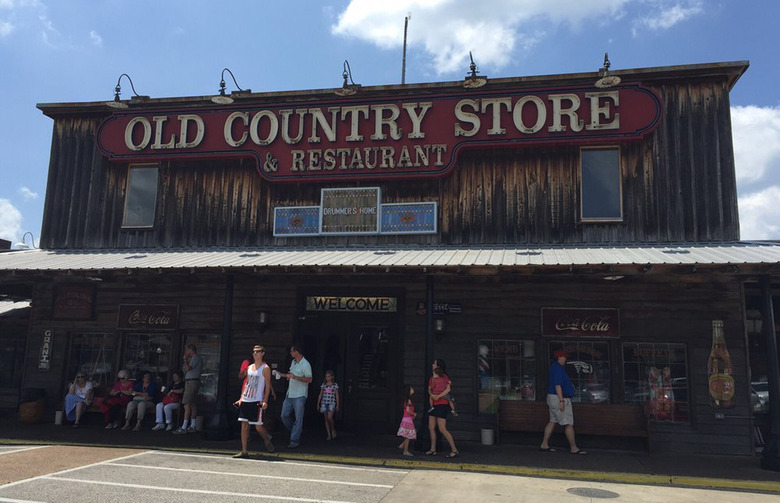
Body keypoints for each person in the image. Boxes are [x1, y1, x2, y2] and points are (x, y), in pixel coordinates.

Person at [540, 349, 587, 455]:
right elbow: (558, 385)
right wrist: (561, 400)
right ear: (559, 357)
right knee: (568, 423)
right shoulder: (557, 368)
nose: (565, 359)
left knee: (552, 420)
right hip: (559, 398)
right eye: (564, 357)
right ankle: (574, 448)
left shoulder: (555, 367)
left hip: (552, 397)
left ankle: (544, 444)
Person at [233, 344, 275, 458]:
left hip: (257, 400)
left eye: (258, 351)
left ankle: (266, 440)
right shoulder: (250, 367)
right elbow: (247, 383)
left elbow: (267, 385)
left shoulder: (265, 368)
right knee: (244, 424)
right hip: (247, 398)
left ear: (263, 353)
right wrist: (241, 398)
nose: (255, 353)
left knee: (257, 426)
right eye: (254, 351)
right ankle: (244, 450)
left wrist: (265, 401)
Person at [281, 344, 312, 448]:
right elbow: (291, 375)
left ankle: (294, 440)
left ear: (297, 352)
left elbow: (309, 379)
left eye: (292, 351)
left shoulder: (305, 364)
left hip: (300, 394)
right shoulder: (293, 362)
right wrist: (282, 375)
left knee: (298, 418)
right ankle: (296, 430)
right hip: (290, 394)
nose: (290, 353)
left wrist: (295, 377)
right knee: (284, 415)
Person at [426, 359, 458, 458]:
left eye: (434, 363)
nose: (432, 365)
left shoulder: (444, 377)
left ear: (438, 366)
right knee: (431, 427)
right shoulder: (432, 378)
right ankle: (433, 449)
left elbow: (448, 389)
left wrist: (439, 396)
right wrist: (432, 395)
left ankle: (454, 449)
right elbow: (429, 388)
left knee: (442, 428)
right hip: (434, 402)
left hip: (442, 403)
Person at [174, 344, 202, 434]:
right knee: (192, 404)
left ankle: (184, 426)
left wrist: (185, 360)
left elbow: (188, 368)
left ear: (190, 350)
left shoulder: (195, 358)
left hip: (191, 382)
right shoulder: (196, 359)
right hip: (193, 382)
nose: (186, 353)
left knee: (186, 404)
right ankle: (193, 425)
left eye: (187, 350)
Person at [316, 370, 339, 440]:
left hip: (331, 402)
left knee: (330, 417)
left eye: (329, 376)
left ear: (332, 377)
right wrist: (318, 403)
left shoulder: (335, 385)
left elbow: (337, 395)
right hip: (324, 403)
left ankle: (332, 429)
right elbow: (320, 394)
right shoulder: (324, 385)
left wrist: (338, 405)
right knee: (326, 419)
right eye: (326, 377)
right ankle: (329, 434)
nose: (327, 378)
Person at [397, 384, 417, 457]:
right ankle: (405, 450)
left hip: (406, 419)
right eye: (411, 388)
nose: (413, 389)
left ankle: (402, 445)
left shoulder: (406, 400)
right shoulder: (409, 400)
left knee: (407, 434)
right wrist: (414, 414)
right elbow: (408, 410)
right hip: (408, 420)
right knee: (408, 435)